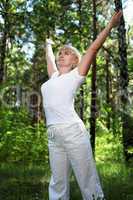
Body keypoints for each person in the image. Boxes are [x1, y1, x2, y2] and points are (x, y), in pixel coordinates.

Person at [41, 10, 122, 200]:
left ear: (75, 60)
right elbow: (49, 58)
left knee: (87, 180)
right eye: (61, 53)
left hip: (72, 132)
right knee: (58, 182)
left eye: (67, 53)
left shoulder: (76, 74)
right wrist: (48, 44)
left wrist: (110, 26)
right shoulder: (53, 76)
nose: (62, 55)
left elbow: (93, 49)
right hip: (53, 134)